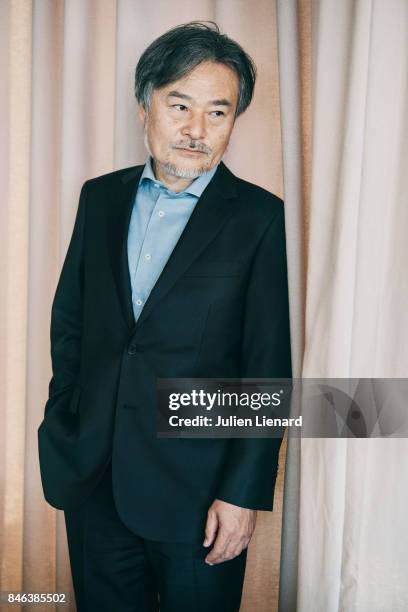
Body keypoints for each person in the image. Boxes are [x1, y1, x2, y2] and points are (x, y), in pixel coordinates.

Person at [38, 21, 292, 612]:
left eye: (218, 112)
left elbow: (266, 365)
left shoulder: (259, 218)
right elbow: (70, 325)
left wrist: (240, 494)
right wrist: (66, 418)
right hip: (95, 477)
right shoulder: (99, 198)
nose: (195, 130)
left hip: (199, 495)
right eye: (180, 105)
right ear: (145, 105)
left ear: (233, 123)